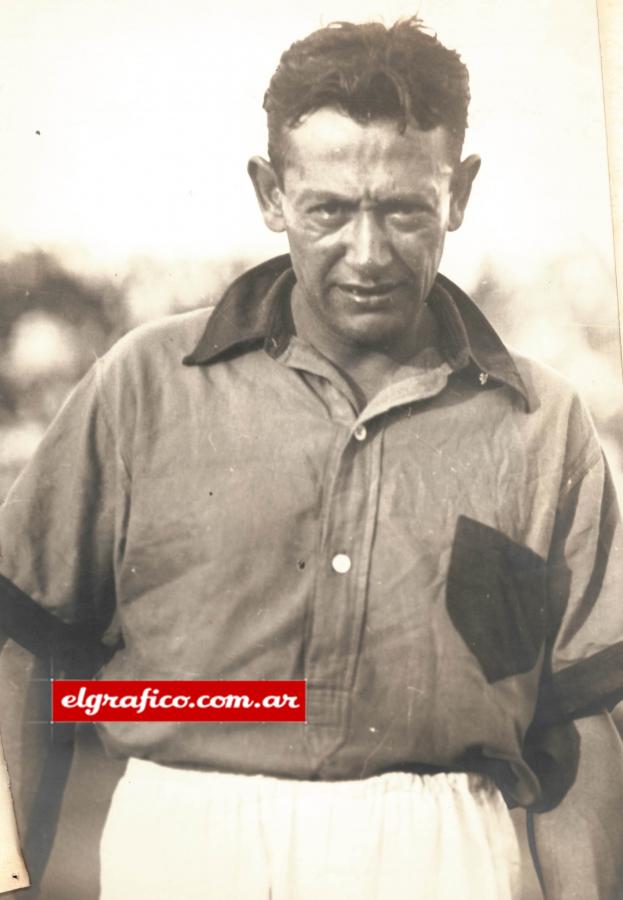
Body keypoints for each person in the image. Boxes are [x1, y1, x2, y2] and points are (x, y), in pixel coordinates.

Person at [1, 15, 623, 900]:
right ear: (270, 192)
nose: (365, 254)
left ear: (458, 194)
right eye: (329, 209)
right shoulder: (144, 382)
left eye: (405, 210)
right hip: (182, 847)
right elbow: (26, 640)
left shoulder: (541, 422)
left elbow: (579, 715)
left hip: (443, 857)